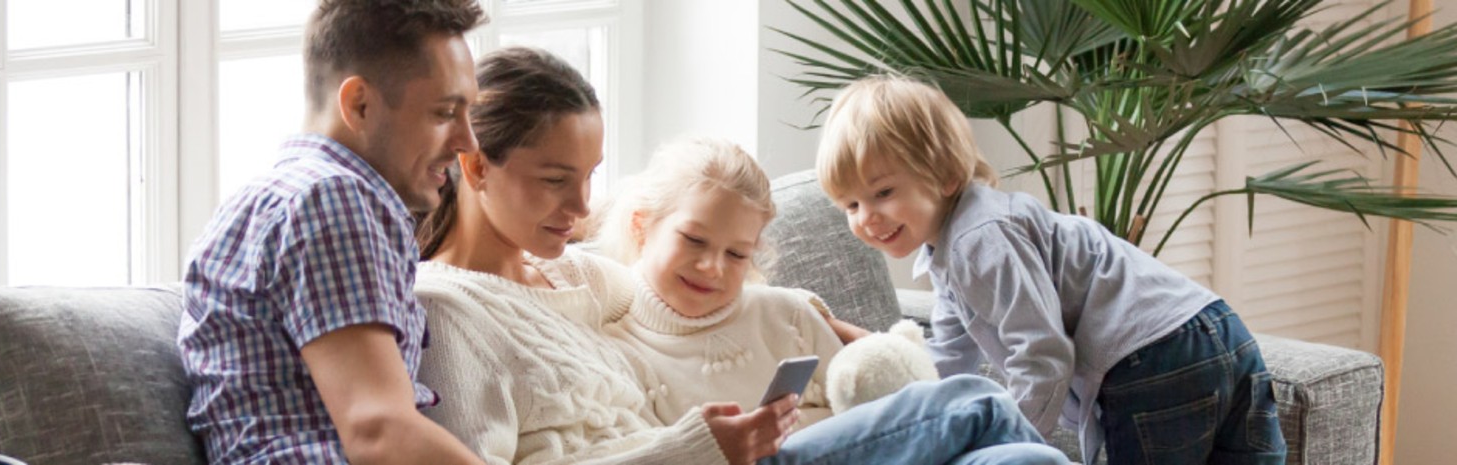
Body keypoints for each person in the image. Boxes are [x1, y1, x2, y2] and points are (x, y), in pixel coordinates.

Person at [413, 46, 1070, 465]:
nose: (582, 207)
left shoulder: (576, 273)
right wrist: (695, 447)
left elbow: (687, 297)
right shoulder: (445, 311)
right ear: (474, 166)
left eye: (590, 178)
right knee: (970, 402)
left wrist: (820, 319)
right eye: (556, 180)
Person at [814, 74, 1286, 465]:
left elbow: (1041, 356)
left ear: (945, 176)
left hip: (1155, 357)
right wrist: (885, 374)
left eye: (882, 193)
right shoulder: (954, 251)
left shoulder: (980, 240)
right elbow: (948, 362)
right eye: (849, 204)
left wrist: (1009, 444)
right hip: (1219, 329)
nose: (866, 218)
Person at [178, 1, 489, 463]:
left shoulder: (272, 198)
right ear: (358, 104)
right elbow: (379, 430)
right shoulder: (332, 199)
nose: (468, 142)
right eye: (445, 113)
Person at [590, 136, 847, 428]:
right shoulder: (616, 350)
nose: (713, 268)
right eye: (694, 240)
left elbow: (865, 406)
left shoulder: (788, 313)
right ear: (640, 227)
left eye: (737, 254)